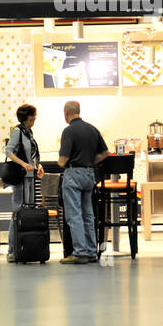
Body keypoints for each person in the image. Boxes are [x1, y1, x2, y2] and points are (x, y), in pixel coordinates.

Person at [57, 100, 109, 265]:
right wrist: (92, 161)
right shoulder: (92, 129)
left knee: (74, 215)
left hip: (73, 173)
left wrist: (61, 162)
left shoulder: (68, 131)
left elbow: (62, 160)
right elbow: (105, 153)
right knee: (88, 214)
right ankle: (91, 251)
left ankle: (80, 252)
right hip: (89, 174)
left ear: (66, 113)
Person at [4, 104, 43, 262]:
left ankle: (24, 247)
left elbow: (32, 154)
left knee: (26, 211)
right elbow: (8, 151)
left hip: (29, 177)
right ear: (26, 116)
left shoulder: (29, 132)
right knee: (18, 212)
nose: (35, 117)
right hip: (21, 178)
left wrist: (37, 165)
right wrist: (23, 164)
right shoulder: (18, 131)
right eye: (33, 115)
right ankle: (12, 249)